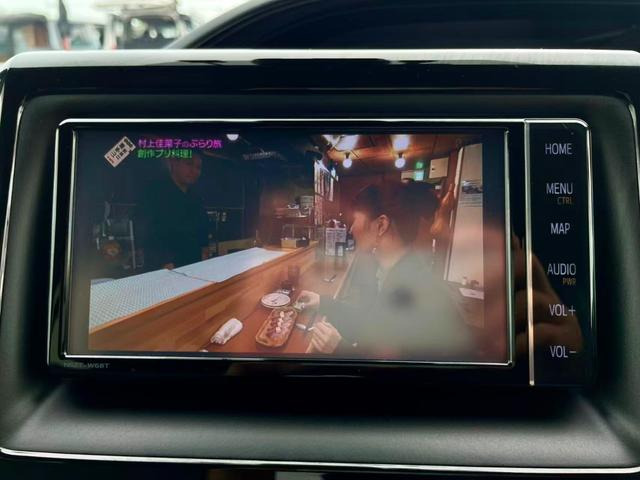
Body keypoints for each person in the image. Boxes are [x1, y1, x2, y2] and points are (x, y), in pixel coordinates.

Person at [300, 182, 472, 360]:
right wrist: (322, 302)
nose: (351, 229)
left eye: (355, 219)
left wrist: (339, 349)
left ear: (381, 225)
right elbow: (373, 324)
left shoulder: (411, 287)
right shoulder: (401, 269)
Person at [137, 154, 209, 271]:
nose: (194, 171)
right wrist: (162, 261)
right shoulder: (154, 192)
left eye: (198, 167)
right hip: (165, 265)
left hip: (194, 263)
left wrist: (204, 250)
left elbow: (202, 227)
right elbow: (146, 230)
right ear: (173, 163)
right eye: (189, 164)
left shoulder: (196, 197)